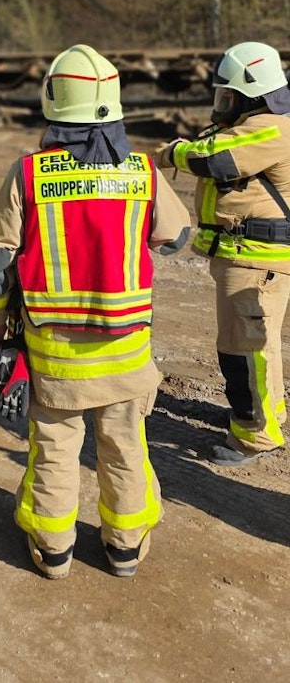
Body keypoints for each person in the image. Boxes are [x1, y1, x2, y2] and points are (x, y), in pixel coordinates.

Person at [0, 44, 190, 579]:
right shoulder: (142, 171)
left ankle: (53, 551)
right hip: (125, 350)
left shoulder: (28, 175)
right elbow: (177, 235)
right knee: (125, 447)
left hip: (56, 354)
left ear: (54, 103)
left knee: (54, 449)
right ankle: (125, 548)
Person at [156, 40, 290, 466]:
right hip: (248, 257)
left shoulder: (269, 128)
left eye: (229, 96)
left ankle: (255, 435)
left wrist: (168, 153)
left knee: (243, 349)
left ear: (252, 94)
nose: (223, 104)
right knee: (258, 345)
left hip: (255, 259)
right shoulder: (261, 125)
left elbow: (213, 157)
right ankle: (266, 416)